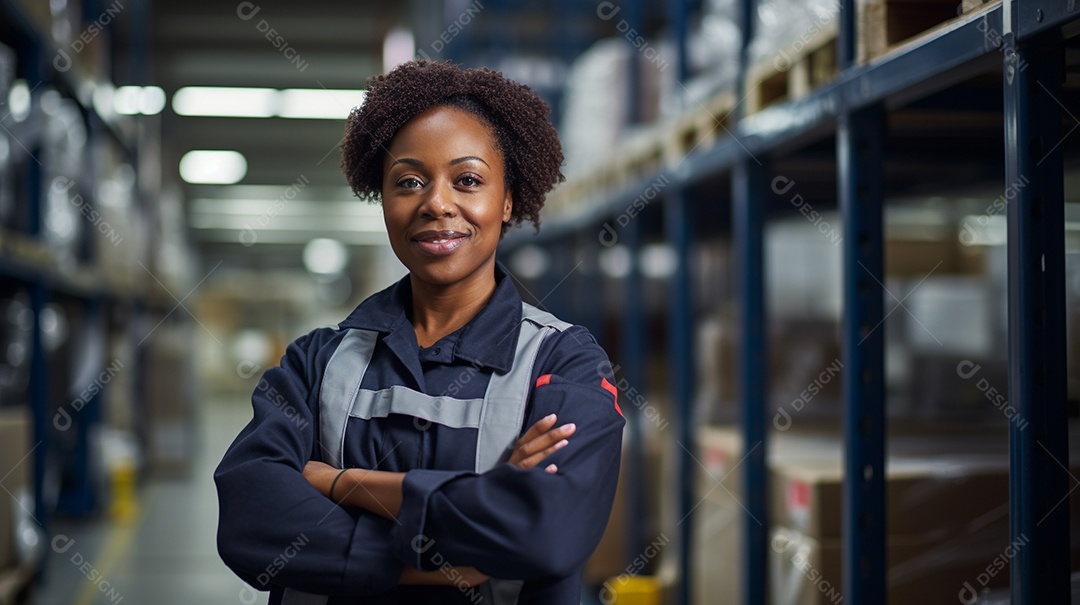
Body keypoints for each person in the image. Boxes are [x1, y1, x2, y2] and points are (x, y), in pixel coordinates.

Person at [214, 60, 625, 605]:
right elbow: (251, 519)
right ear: (381, 199)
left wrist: (344, 485)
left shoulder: (563, 363)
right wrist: (437, 551)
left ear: (506, 200)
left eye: (469, 180)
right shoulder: (317, 363)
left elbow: (547, 530)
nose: (436, 202)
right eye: (408, 181)